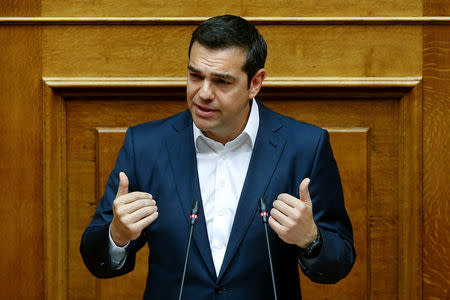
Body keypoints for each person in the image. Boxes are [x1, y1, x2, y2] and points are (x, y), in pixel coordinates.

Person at [80, 15, 355, 300]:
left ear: (255, 83)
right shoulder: (146, 146)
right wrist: (118, 235)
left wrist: (311, 239)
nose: (203, 94)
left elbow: (340, 260)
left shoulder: (305, 146)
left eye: (222, 82)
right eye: (195, 76)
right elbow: (96, 258)